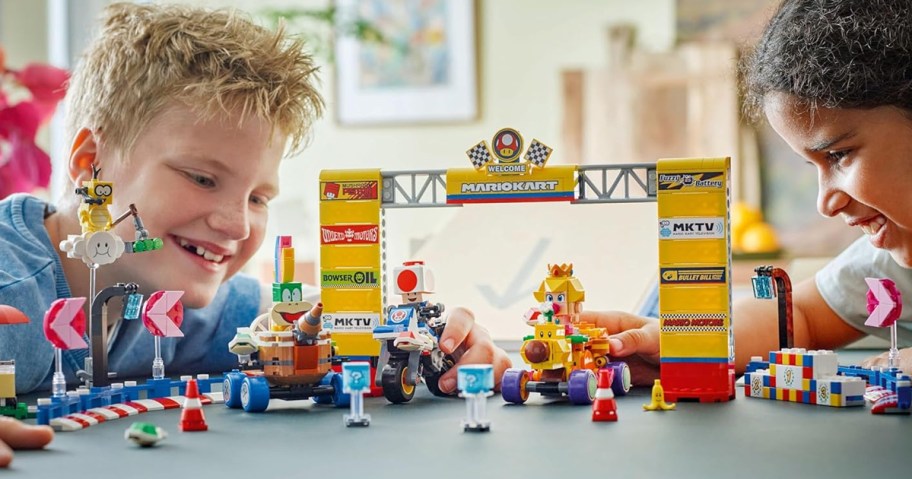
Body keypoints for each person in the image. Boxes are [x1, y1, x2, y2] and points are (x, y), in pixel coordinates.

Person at [0, 2, 510, 465]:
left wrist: (443, 340)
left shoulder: (178, 304)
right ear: (92, 165)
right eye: (202, 178)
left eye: (258, 198)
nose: (238, 224)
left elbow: (315, 315)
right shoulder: (15, 296)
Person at [585, 0, 912, 384]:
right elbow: (799, 318)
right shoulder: (886, 264)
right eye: (815, 166)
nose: (826, 202)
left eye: (839, 155)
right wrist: (688, 344)